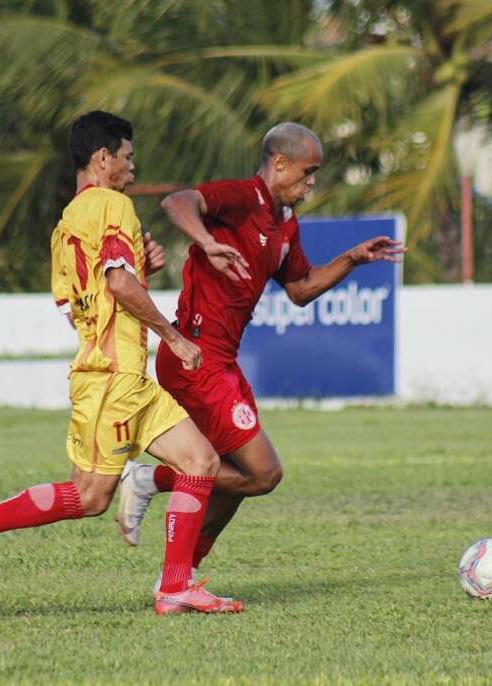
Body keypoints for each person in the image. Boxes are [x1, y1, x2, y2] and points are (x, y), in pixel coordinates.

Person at [0, 111, 246, 614]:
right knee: (91, 496)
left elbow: (87, 298)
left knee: (200, 461)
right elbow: (118, 285)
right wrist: (173, 337)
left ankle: (175, 586)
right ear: (103, 158)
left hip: (123, 378)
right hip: (110, 380)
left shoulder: (67, 223)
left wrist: (143, 268)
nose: (133, 169)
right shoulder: (112, 204)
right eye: (128, 157)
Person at [115, 122, 405, 586]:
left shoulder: (285, 223)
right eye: (308, 172)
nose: (311, 183)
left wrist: (353, 258)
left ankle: (181, 576)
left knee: (237, 481)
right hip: (195, 357)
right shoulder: (242, 197)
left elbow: (300, 289)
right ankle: (149, 481)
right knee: (263, 474)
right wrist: (208, 242)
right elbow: (177, 202)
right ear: (280, 163)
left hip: (220, 363)